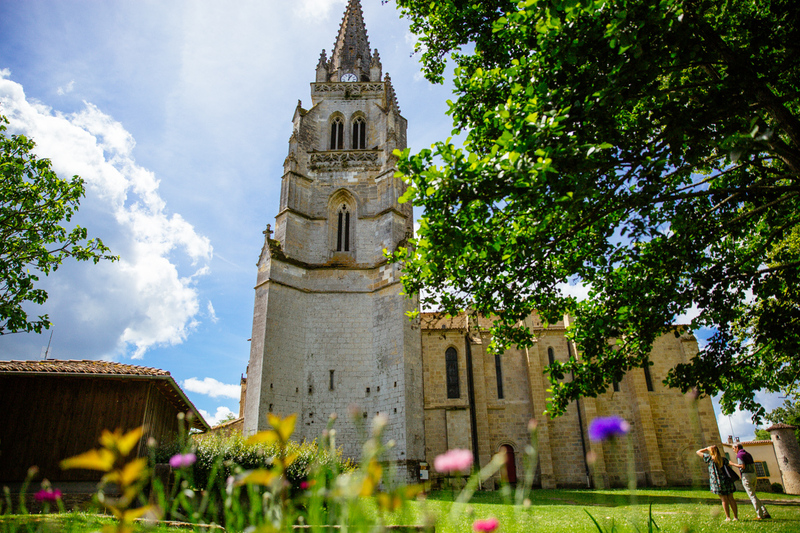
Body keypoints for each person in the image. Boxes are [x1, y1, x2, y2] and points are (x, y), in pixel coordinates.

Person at [696, 445, 738, 521]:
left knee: (724, 499)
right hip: (727, 480)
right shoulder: (723, 459)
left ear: (711, 451)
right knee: (731, 498)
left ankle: (728, 517)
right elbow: (729, 464)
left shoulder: (709, 458)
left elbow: (698, 452)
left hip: (718, 481)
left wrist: (706, 448)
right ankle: (735, 517)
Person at [733, 443, 771, 519]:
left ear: (737, 447)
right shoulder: (748, 454)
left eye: (733, 449)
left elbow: (742, 466)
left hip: (746, 476)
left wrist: (732, 464)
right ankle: (765, 512)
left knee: (752, 496)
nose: (733, 450)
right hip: (753, 475)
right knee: (754, 495)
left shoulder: (740, 455)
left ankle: (760, 515)